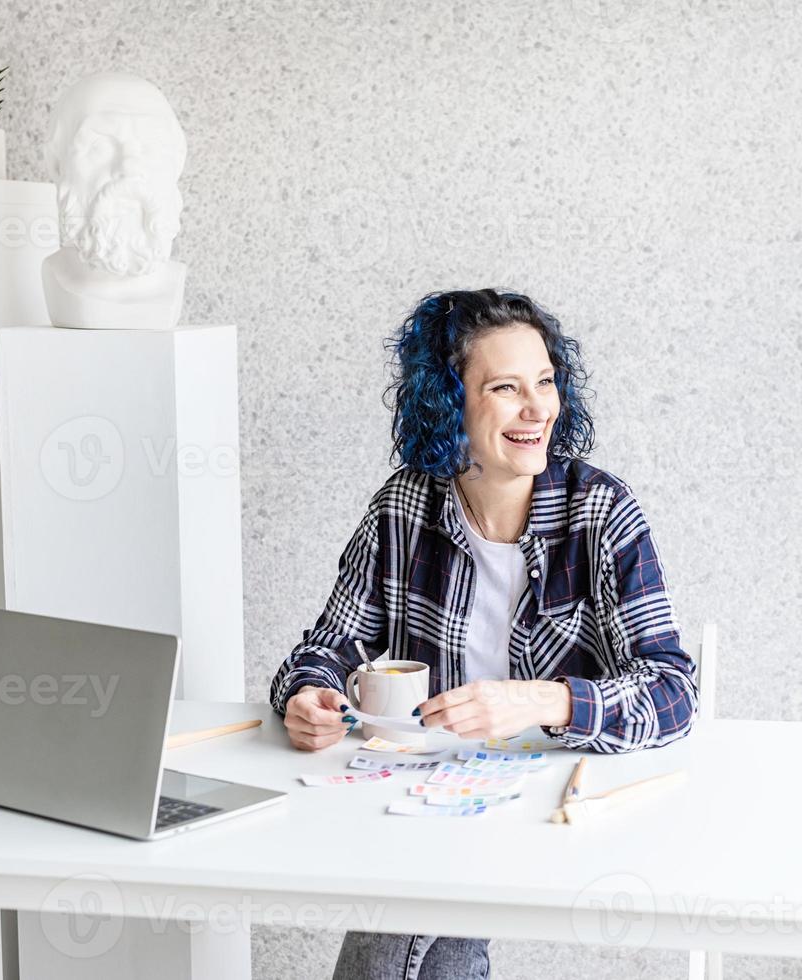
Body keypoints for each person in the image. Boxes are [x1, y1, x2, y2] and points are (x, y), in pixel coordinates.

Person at [269, 288, 697, 979]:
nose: (538, 409)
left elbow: (672, 691)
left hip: (561, 807)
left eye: (546, 382)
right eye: (506, 387)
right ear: (450, 404)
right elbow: (326, 646)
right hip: (434, 801)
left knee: (399, 927)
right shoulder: (405, 506)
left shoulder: (600, 511)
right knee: (426, 922)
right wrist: (308, 696)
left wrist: (538, 701)